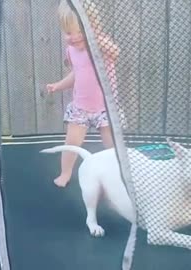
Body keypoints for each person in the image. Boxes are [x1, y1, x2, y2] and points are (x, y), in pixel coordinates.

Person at [46, 0, 121, 187]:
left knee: (113, 145)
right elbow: (76, 74)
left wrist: (95, 37)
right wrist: (58, 85)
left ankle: (120, 172)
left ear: (92, 29)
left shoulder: (100, 46)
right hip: (80, 108)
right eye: (69, 32)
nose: (75, 37)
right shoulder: (71, 51)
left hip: (106, 108)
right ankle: (65, 173)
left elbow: (116, 52)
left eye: (81, 31)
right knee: (71, 143)